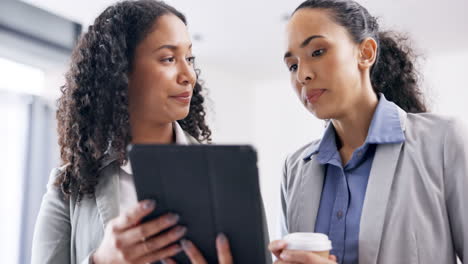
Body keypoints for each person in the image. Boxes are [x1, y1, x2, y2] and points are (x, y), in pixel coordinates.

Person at [31, 1, 232, 263]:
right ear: (120, 72)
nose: (189, 75)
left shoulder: (226, 174)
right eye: (169, 58)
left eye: (189, 58)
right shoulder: (69, 186)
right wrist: (101, 261)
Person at [268, 0, 468, 263]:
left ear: (366, 53)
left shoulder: (442, 142)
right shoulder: (294, 168)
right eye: (292, 66)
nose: (302, 74)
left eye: (317, 52)